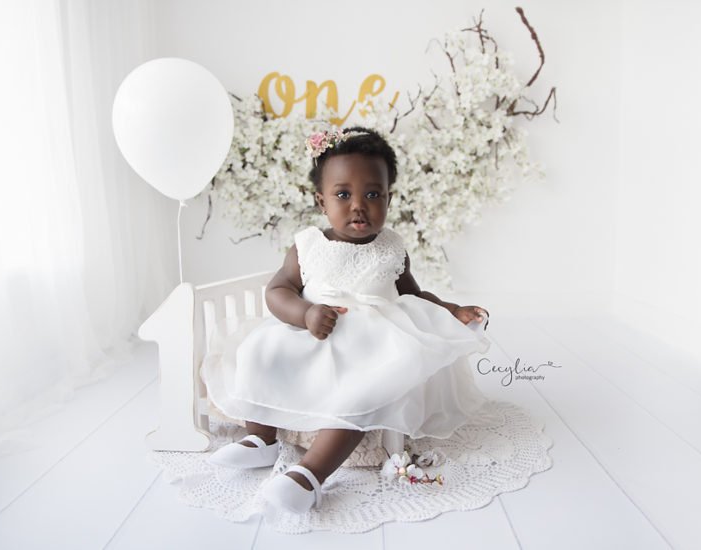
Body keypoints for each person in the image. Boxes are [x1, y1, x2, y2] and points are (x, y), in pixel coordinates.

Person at [200, 125, 492, 514]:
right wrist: (304, 312)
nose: (359, 205)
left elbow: (413, 295)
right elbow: (277, 291)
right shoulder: (308, 246)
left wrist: (451, 310)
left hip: (372, 342)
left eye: (373, 194)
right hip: (313, 331)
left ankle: (310, 475)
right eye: (343, 194)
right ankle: (262, 437)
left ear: (389, 197)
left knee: (364, 392)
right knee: (259, 351)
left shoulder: (393, 247)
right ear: (322, 201)